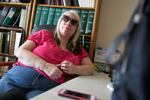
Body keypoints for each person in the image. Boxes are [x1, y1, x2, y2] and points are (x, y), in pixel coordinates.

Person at [0, 10, 95, 99]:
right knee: (7, 96)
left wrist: (75, 69)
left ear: (76, 29)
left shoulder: (78, 48)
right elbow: (20, 51)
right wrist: (45, 66)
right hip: (19, 77)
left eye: (73, 22)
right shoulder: (44, 34)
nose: (69, 23)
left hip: (45, 87)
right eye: (66, 19)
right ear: (60, 21)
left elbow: (91, 68)